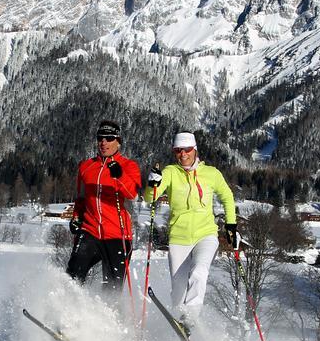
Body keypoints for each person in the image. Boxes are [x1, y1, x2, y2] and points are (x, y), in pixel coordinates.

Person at [146, 131, 237, 324]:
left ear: (195, 150)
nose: (183, 154)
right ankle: (182, 325)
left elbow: (227, 196)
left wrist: (231, 224)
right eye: (178, 150)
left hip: (206, 234)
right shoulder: (170, 172)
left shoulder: (211, 173)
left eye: (187, 149)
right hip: (179, 237)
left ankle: (191, 317)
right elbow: (150, 198)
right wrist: (152, 183)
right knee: (178, 290)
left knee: (199, 271)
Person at [66, 120, 142, 290]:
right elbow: (81, 198)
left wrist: (119, 176)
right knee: (72, 274)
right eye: (100, 138)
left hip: (118, 234)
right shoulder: (86, 166)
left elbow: (133, 195)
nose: (104, 142)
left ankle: (109, 315)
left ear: (118, 142)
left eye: (109, 138)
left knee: (112, 288)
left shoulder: (129, 166)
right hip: (90, 230)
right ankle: (65, 312)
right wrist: (76, 217)